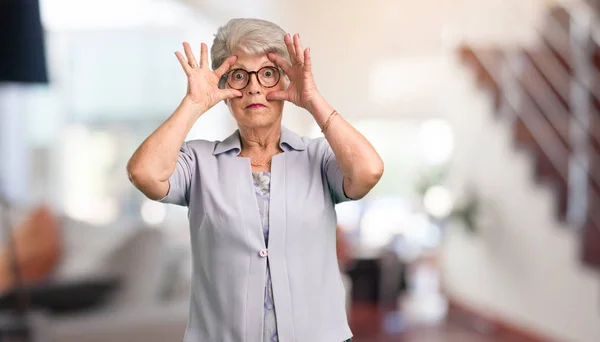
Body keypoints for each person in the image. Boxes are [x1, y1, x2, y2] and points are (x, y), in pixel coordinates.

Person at [127, 18, 384, 342]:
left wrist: (312, 99)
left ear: (285, 79)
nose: (254, 87)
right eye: (239, 75)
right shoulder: (198, 162)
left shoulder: (319, 157)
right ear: (224, 88)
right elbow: (144, 173)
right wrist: (194, 103)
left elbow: (369, 172)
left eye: (267, 73)